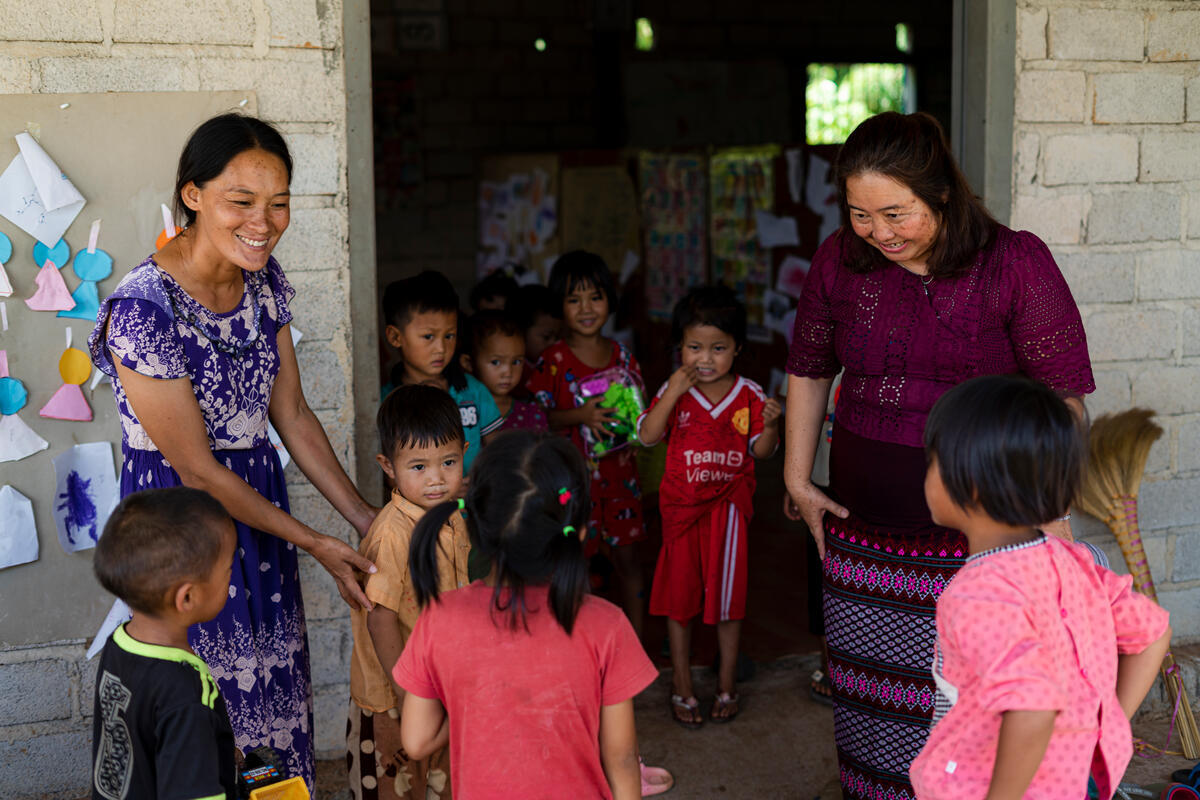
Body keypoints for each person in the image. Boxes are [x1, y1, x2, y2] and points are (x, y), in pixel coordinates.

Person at [782, 111, 1095, 800]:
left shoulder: (1014, 262)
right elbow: (808, 365)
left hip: (978, 536)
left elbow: (1064, 401)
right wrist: (797, 479)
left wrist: (1050, 511)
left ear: (942, 193)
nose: (879, 232)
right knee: (868, 698)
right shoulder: (842, 259)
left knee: (969, 696)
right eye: (861, 214)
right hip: (861, 530)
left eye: (896, 213)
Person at [88, 114, 378, 787]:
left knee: (274, 705)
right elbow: (194, 467)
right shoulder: (143, 310)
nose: (264, 222)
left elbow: (294, 415)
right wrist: (314, 541)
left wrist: (365, 519)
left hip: (260, 519)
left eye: (278, 203)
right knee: (206, 710)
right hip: (185, 527)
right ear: (193, 195)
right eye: (241, 202)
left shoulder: (263, 283)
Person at [913, 376, 1171, 798]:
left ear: (973, 483)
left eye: (933, 461)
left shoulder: (977, 594)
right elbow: (1153, 634)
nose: (925, 474)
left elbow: (1031, 707)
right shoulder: (1076, 562)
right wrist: (1102, 730)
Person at [393, 431, 672, 799]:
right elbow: (621, 760)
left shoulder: (439, 619)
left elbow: (416, 741)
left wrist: (476, 703)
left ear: (475, 526)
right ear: (581, 531)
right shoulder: (606, 626)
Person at [637, 286, 781, 727]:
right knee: (679, 603)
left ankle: (726, 685)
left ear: (737, 348)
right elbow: (647, 436)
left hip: (729, 513)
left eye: (718, 348)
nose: (705, 358)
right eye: (694, 347)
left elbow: (761, 452)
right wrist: (674, 390)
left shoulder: (750, 394)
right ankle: (681, 686)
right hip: (681, 513)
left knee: (727, 604)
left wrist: (773, 426)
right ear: (679, 347)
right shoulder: (673, 389)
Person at [347, 386, 467, 800]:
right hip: (394, 692)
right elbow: (379, 617)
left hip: (440, 681)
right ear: (389, 466)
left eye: (448, 462)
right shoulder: (394, 534)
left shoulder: (453, 517)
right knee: (392, 785)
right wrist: (405, 691)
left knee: (438, 781)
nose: (436, 478)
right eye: (418, 466)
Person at [526, 251, 647, 636]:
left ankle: (637, 646)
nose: (585, 308)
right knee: (574, 566)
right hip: (574, 485)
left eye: (595, 297)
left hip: (621, 480)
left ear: (610, 299)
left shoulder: (623, 355)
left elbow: (640, 414)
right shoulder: (552, 361)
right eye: (573, 299)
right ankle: (576, 648)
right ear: (560, 306)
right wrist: (580, 416)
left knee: (629, 564)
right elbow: (536, 419)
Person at [91, 488, 238, 800]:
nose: (231, 577)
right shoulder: (185, 693)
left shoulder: (119, 643)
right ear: (187, 597)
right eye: (228, 570)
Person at [381, 271, 502, 474]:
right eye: (428, 336)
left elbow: (497, 451)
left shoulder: (472, 391)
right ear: (395, 337)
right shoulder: (388, 401)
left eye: (449, 335)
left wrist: (478, 484)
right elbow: (388, 470)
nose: (441, 348)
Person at [461, 310, 548, 433]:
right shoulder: (460, 411)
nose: (508, 372)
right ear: (468, 363)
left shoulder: (531, 415)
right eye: (496, 362)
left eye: (516, 362)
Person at [510, 283, 563, 364]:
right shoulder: (516, 369)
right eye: (546, 337)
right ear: (520, 333)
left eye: (557, 338)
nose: (553, 343)